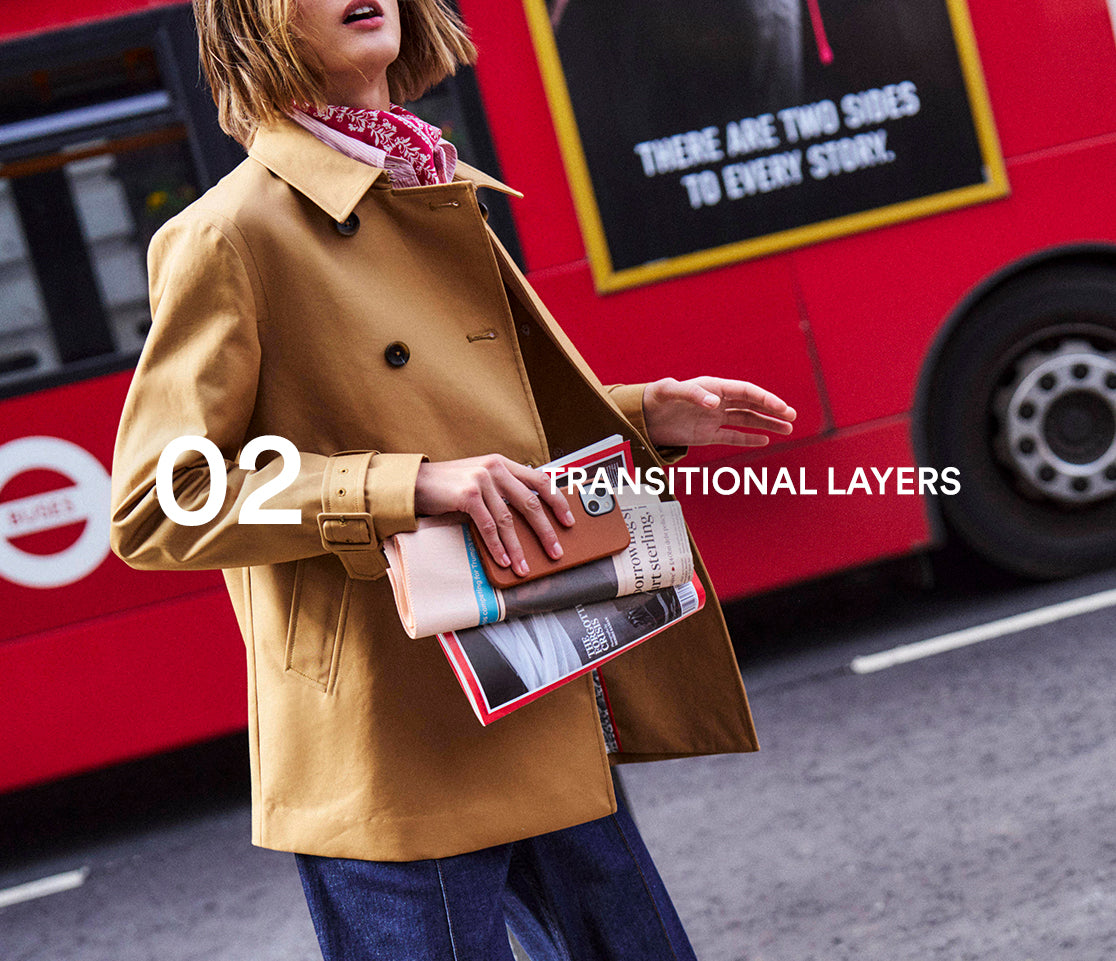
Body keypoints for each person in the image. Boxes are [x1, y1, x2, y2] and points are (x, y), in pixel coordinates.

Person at [108, 1, 797, 958]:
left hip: (529, 672)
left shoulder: (425, 178)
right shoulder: (231, 234)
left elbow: (469, 433)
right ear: (251, 20)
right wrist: (402, 488)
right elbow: (159, 503)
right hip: (394, 736)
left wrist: (642, 414)